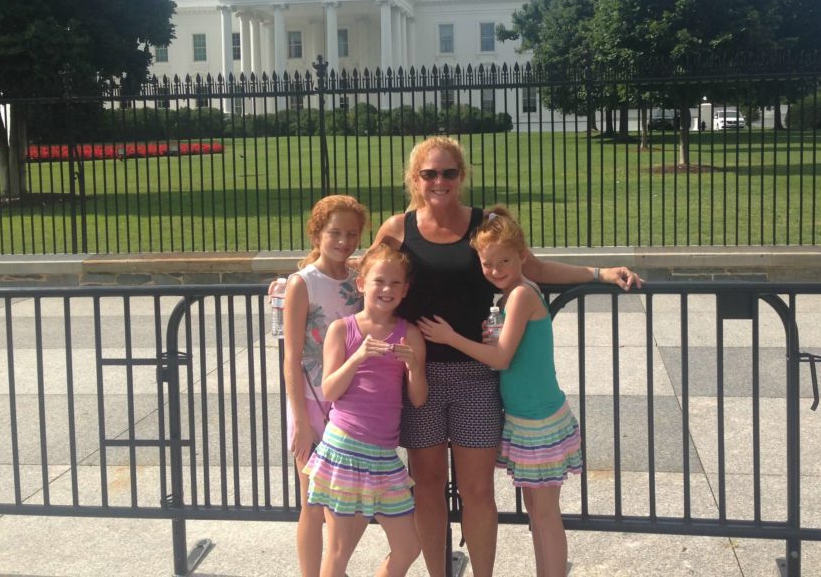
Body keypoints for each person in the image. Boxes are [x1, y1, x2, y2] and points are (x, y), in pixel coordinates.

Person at [371, 136, 641, 577]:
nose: (439, 182)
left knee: (478, 490)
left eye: (449, 173)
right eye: (429, 174)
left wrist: (599, 273)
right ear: (415, 179)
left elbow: (532, 268)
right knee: (429, 488)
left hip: (477, 375)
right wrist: (301, 284)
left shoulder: (484, 224)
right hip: (418, 374)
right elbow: (367, 277)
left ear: (462, 176)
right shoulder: (398, 228)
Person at [418, 206, 581, 577]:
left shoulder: (522, 294)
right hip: (527, 415)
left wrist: (450, 338)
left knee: (543, 514)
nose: (495, 270)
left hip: (538, 416)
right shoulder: (509, 297)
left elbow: (502, 358)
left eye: (504, 260)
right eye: (487, 263)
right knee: (538, 513)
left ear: (522, 256)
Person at [302, 242, 428, 577]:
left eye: (395, 283)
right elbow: (329, 389)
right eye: (379, 281)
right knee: (340, 550)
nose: (386, 289)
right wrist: (357, 358)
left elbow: (418, 398)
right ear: (362, 284)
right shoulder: (343, 329)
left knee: (408, 548)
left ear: (405, 290)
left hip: (383, 456)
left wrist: (414, 367)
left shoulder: (410, 333)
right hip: (346, 448)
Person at [275, 194, 368, 577]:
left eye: (351, 233)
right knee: (313, 502)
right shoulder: (302, 283)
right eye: (335, 233)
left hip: (350, 403)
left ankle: (335, 568)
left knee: (353, 500)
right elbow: (291, 357)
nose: (343, 241)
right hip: (312, 402)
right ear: (317, 233)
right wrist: (299, 419)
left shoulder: (358, 279)